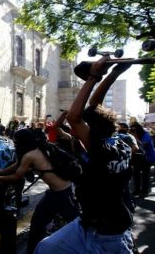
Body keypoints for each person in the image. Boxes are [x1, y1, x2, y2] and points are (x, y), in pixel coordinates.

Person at [35, 57, 134, 253]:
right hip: (86, 224)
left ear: (93, 130)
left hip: (109, 234)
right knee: (46, 247)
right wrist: (115, 72)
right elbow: (95, 104)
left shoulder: (102, 150)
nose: (75, 130)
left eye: (83, 127)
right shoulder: (120, 142)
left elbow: (74, 117)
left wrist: (94, 76)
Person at [0, 129, 80, 254]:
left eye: (16, 141)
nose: (14, 143)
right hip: (53, 193)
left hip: (63, 193)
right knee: (37, 224)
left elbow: (16, 177)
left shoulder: (30, 155)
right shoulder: (36, 149)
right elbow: (17, 165)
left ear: (22, 141)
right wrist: (1, 172)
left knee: (77, 224)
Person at [130, 122, 155, 198]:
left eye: (134, 130)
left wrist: (135, 137)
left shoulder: (146, 135)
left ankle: (144, 191)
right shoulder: (134, 135)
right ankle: (137, 190)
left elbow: (142, 145)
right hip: (138, 158)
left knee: (145, 175)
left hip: (147, 158)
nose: (133, 131)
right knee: (136, 174)